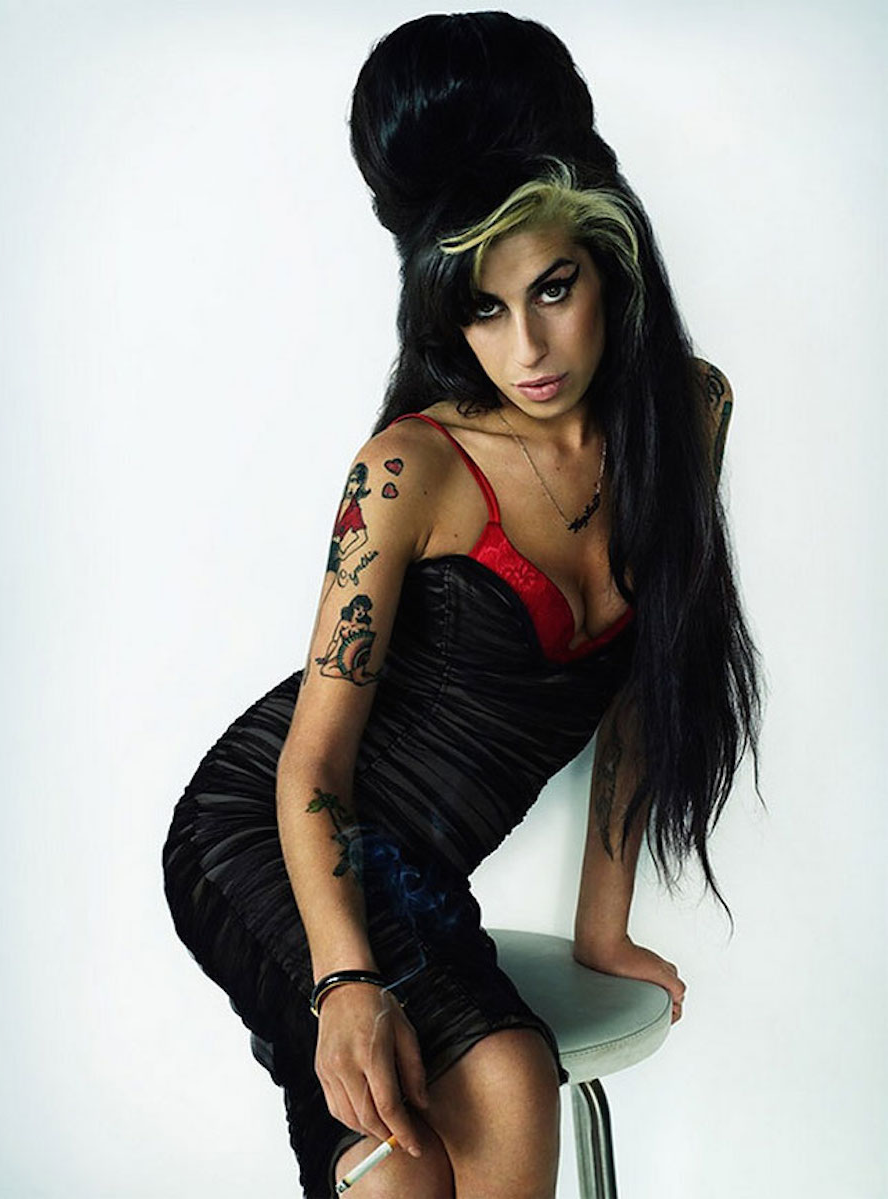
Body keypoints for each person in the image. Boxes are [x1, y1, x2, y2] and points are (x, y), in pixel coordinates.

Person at [162, 12, 763, 1199]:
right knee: (435, 1132)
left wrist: (601, 929)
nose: (528, 348)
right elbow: (311, 765)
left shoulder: (687, 415)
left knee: (501, 1089)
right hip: (266, 831)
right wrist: (344, 984)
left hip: (417, 870)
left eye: (553, 288)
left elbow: (645, 691)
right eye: (484, 309)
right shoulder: (409, 470)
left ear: (611, 261)